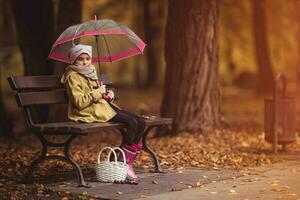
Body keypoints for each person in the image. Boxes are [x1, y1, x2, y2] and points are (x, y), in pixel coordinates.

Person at [61, 44, 145, 182]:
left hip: (102, 107)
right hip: (87, 111)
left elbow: (100, 94)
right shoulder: (72, 76)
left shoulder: (90, 71)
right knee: (132, 122)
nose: (84, 62)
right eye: (80, 59)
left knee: (140, 122)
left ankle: (126, 162)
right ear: (73, 61)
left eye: (87, 58)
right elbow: (79, 102)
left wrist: (108, 94)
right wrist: (98, 93)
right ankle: (123, 164)